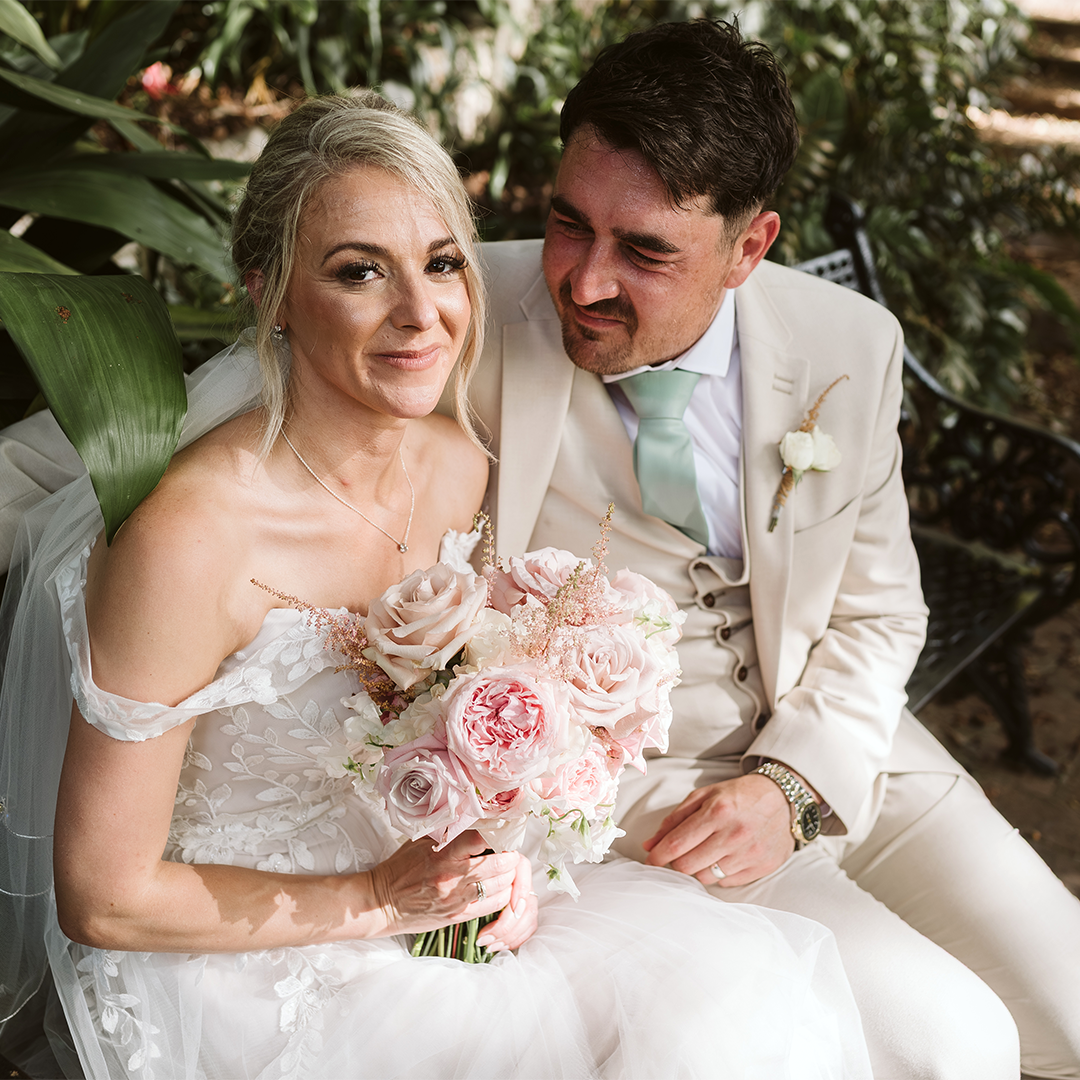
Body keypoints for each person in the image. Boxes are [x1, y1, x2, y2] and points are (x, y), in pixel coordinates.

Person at [0, 92, 872, 1079]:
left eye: (443, 264)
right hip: (234, 959)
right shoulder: (190, 540)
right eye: (359, 272)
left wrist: (506, 861)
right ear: (269, 291)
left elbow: (443, 732)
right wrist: (379, 900)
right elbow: (106, 897)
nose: (421, 315)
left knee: (722, 1022)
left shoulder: (461, 462)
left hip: (429, 910)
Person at [459, 17, 1080, 1080]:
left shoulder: (849, 343)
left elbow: (881, 612)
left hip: (852, 753)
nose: (585, 280)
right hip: (652, 802)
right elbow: (199, 425)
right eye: (570, 223)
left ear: (751, 246)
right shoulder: (454, 315)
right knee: (949, 1044)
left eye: (647, 249)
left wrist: (796, 785)